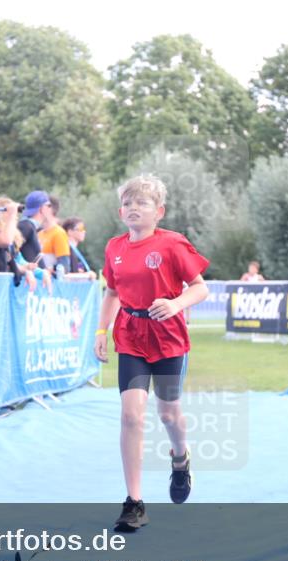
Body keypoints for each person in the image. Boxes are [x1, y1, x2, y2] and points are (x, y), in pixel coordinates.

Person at [94, 174, 210, 531]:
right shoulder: (114, 247)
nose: (133, 208)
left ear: (158, 211)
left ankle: (180, 459)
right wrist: (102, 330)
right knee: (131, 415)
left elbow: (199, 288)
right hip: (130, 335)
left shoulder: (174, 244)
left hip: (168, 337)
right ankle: (134, 502)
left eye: (141, 203)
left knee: (169, 415)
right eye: (128, 203)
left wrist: (175, 305)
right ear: (120, 210)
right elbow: (112, 293)